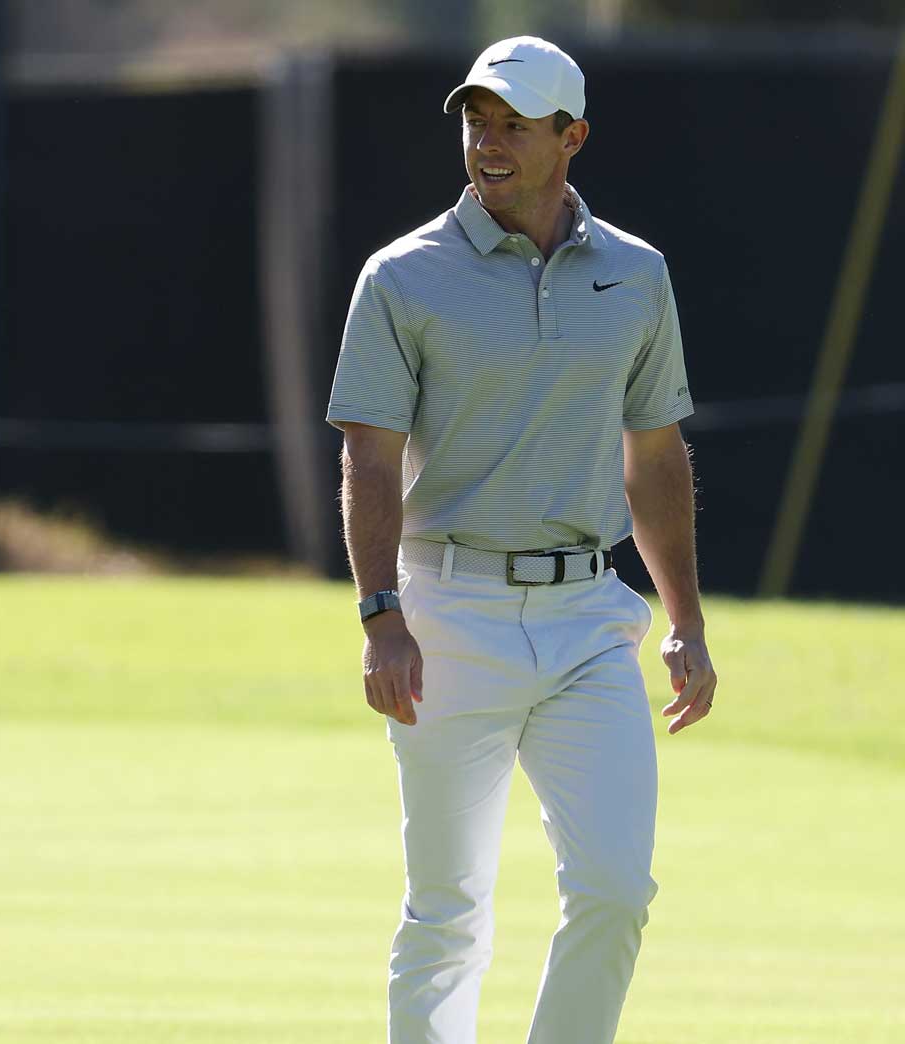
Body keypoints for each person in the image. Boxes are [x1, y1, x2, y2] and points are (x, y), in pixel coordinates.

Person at [325, 37, 718, 1044]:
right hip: (447, 614)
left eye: (512, 125)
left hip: (588, 617)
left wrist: (684, 620)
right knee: (446, 910)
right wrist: (380, 615)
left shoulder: (635, 273)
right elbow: (368, 458)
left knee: (615, 890)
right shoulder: (401, 276)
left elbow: (655, 453)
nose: (486, 143)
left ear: (571, 137)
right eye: (474, 121)